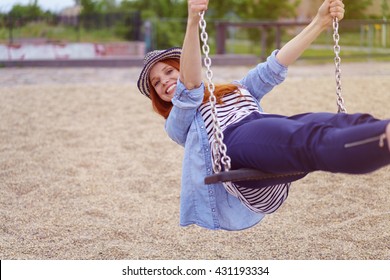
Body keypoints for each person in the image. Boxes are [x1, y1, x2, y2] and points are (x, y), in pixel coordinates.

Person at [137, 0, 390, 231]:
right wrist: (193, 20)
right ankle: (383, 139)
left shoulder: (236, 88)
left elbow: (275, 65)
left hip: (263, 133)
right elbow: (190, 86)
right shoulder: (178, 122)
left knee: (336, 122)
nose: (165, 83)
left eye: (169, 72)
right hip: (234, 145)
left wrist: (319, 22)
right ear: (158, 97)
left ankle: (381, 131)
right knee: (308, 140)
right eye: (157, 84)